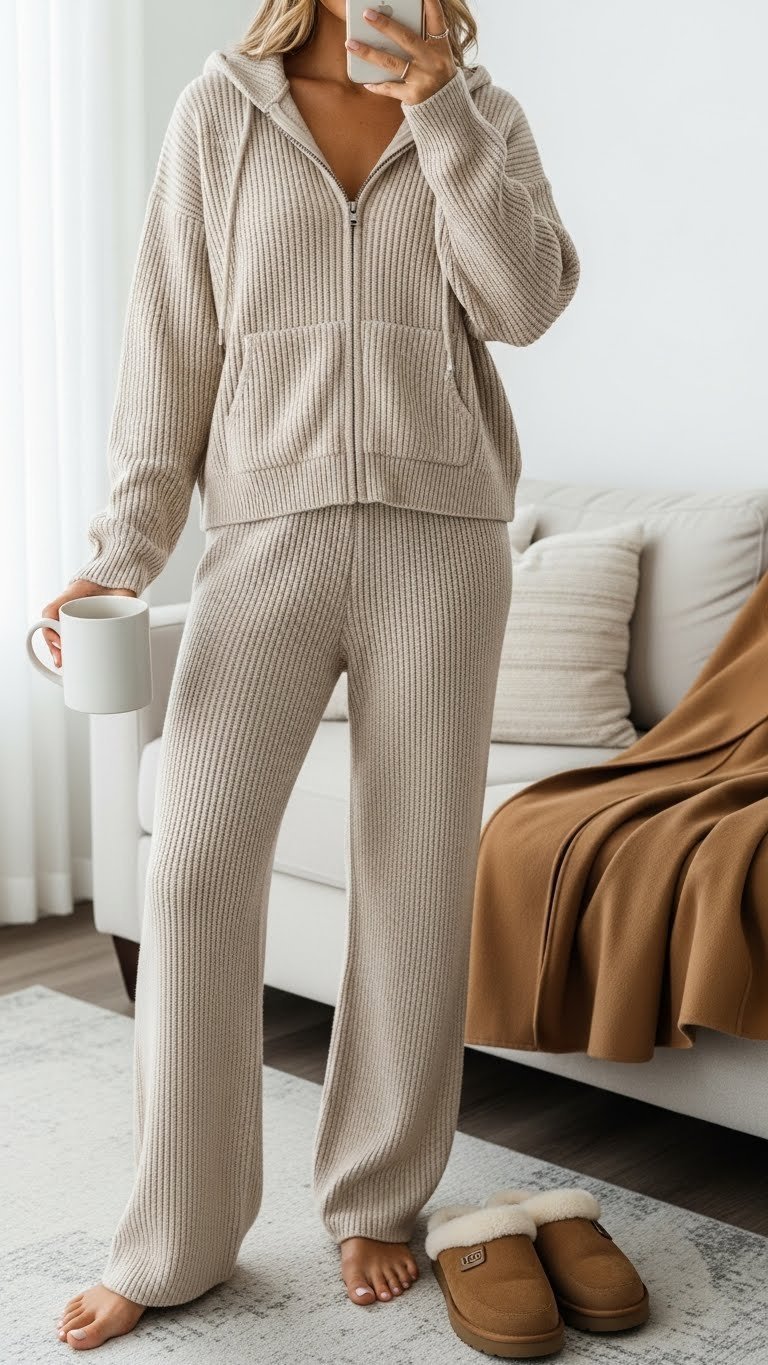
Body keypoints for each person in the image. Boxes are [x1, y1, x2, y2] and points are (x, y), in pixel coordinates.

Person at [48, 0, 579, 1348]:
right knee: (195, 860)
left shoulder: (481, 109)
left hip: (444, 544)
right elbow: (169, 340)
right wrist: (124, 554)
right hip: (266, 537)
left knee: (412, 874)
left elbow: (528, 301)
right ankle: (178, 1234)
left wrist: (440, 111)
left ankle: (378, 1196)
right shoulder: (220, 112)